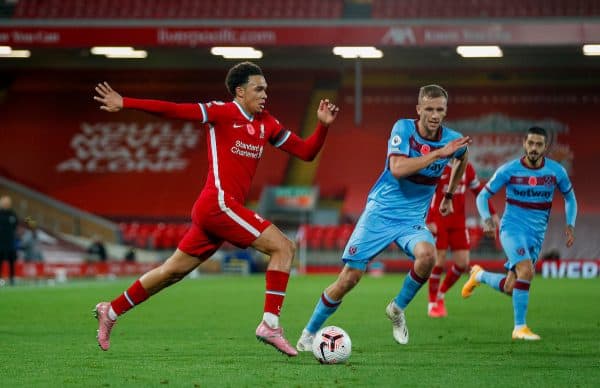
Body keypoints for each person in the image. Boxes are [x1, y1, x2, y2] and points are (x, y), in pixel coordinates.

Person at [92, 61, 339, 356]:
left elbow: (307, 152)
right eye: (258, 89)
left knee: (171, 271)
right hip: (218, 203)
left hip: (217, 210)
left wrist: (322, 126)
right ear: (239, 91)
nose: (264, 95)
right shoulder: (221, 113)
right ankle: (270, 325)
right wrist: (126, 102)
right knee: (284, 247)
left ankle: (111, 311)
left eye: (266, 89)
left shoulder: (267, 123)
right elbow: (173, 109)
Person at [296, 85, 470, 350]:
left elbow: (462, 156)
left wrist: (448, 195)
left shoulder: (452, 139)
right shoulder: (403, 129)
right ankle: (308, 333)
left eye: (440, 110)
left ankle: (397, 309)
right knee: (349, 279)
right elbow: (397, 168)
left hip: (411, 219)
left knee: (428, 256)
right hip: (380, 213)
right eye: (430, 109)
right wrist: (437, 154)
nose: (435, 115)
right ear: (419, 109)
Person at [462, 126, 576, 340]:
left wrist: (570, 225)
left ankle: (480, 275)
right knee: (527, 271)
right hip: (512, 229)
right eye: (530, 143)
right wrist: (487, 219)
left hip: (536, 235)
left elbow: (570, 198)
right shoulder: (509, 169)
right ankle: (519, 328)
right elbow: (481, 196)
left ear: (545, 147)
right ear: (524, 143)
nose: (533, 148)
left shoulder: (556, 171)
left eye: (538, 144)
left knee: (511, 287)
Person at [425, 162, 497, 318]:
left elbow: (479, 192)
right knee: (439, 260)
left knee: (463, 263)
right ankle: (432, 303)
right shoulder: (439, 166)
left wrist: (492, 212)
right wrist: (429, 219)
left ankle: (441, 294)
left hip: (458, 221)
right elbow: (427, 193)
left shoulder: (468, 168)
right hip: (439, 219)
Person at [0, 195, 18, 286]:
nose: (6, 204)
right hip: (0, 242)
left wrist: (32, 222)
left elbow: (27, 219)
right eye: (4, 202)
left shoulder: (13, 213)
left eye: (8, 202)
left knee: (12, 261)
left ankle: (12, 279)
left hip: (10, 242)